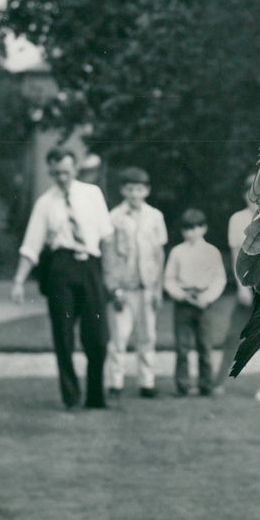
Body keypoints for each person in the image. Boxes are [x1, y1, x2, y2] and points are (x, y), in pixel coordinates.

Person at [11, 148, 114, 410]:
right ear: (50, 172)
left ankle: (95, 397)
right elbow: (31, 246)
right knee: (63, 333)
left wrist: (111, 275)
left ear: (76, 168)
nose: (62, 177)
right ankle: (70, 396)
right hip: (61, 268)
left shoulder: (92, 194)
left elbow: (107, 237)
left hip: (90, 265)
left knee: (98, 336)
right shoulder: (45, 203)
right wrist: (19, 281)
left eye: (66, 172)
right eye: (56, 173)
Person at [215, 175, 260, 401]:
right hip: (246, 285)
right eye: (250, 193)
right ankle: (219, 383)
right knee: (233, 335)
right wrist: (242, 287)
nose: (255, 198)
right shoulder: (237, 219)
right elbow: (236, 256)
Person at [102, 167, 168, 400]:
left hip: (147, 286)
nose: (134, 194)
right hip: (124, 287)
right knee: (119, 337)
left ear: (147, 191)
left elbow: (159, 255)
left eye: (139, 189)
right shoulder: (114, 217)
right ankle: (115, 383)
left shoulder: (155, 217)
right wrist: (113, 288)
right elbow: (108, 257)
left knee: (147, 336)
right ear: (122, 190)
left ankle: (147, 382)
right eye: (130, 189)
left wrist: (158, 288)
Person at [163, 208, 226, 397]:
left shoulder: (211, 251)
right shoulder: (177, 252)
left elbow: (219, 279)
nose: (191, 233)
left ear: (204, 228)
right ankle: (182, 386)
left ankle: (206, 385)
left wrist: (207, 298)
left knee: (204, 345)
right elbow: (169, 278)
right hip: (183, 301)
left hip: (204, 301)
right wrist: (181, 295)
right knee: (182, 347)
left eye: (196, 228)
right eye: (187, 229)